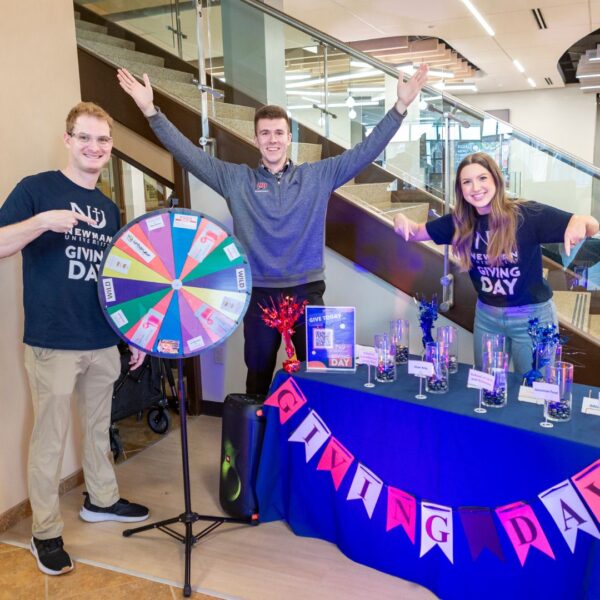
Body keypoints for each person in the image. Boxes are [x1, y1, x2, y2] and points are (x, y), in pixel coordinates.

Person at [117, 65, 428, 395]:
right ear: (255, 139)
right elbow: (189, 155)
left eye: (279, 132)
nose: (272, 139)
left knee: (316, 379)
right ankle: (261, 443)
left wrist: (399, 109)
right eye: (265, 133)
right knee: (258, 377)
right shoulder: (236, 180)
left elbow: (365, 152)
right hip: (258, 293)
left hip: (307, 291)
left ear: (290, 138)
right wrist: (150, 111)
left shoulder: (318, 176)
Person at [0, 102, 150, 576]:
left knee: (97, 425)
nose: (94, 147)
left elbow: (118, 276)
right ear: (68, 140)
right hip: (52, 340)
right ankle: (45, 532)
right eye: (85, 137)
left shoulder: (107, 207)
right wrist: (44, 221)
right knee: (49, 439)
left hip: (102, 339)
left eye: (103, 140)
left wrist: (133, 333)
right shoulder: (37, 189)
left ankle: (101, 500)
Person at [393, 152, 599, 375]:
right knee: (488, 387)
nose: (476, 187)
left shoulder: (526, 214)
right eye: (467, 182)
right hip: (487, 317)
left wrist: (581, 223)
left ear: (495, 181)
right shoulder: (459, 222)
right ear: (460, 190)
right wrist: (400, 219)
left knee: (535, 390)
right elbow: (414, 232)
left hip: (532, 317)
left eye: (483, 178)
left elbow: (590, 224)